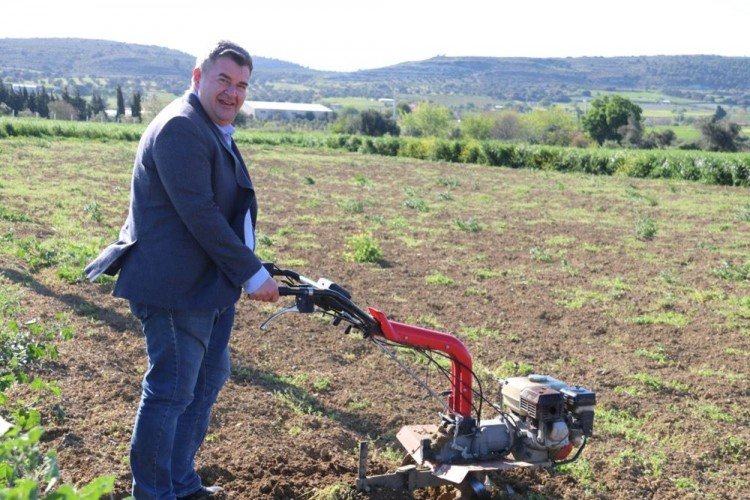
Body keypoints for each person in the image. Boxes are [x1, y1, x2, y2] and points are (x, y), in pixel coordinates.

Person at [85, 40, 279, 499]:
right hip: (174, 288)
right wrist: (251, 273)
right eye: (223, 80)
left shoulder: (207, 126)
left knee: (206, 382)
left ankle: (179, 482)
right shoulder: (180, 127)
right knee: (171, 390)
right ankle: (154, 493)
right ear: (198, 77)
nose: (233, 93)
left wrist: (249, 264)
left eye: (242, 85)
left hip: (208, 285)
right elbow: (200, 212)